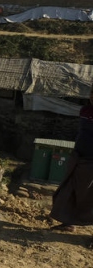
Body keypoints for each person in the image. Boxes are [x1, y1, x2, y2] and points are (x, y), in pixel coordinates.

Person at [50, 89, 93, 246]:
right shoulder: (85, 110)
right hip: (79, 157)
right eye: (92, 94)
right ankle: (68, 222)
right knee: (69, 190)